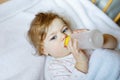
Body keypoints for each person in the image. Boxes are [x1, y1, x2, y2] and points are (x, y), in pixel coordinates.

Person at [27, 12, 118, 80]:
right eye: (53, 37)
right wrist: (81, 63)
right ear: (44, 50)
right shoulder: (56, 67)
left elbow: (114, 43)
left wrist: (97, 39)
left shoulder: (82, 41)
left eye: (64, 30)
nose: (63, 36)